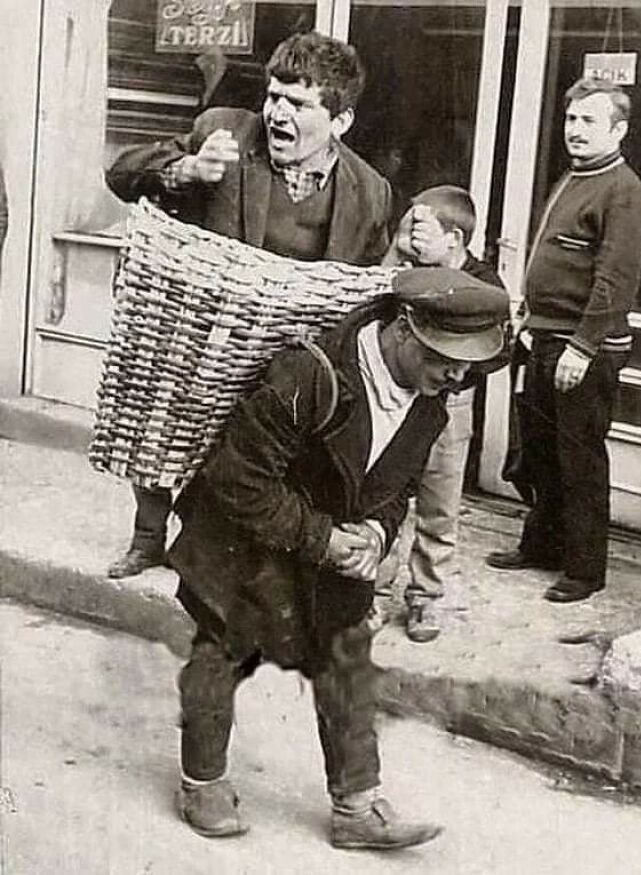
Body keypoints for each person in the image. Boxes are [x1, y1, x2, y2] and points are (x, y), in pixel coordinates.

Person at [168, 266, 509, 851]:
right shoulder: (311, 374)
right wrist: (323, 539)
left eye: (467, 363)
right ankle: (202, 780)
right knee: (221, 649)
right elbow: (238, 479)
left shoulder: (431, 402)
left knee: (347, 658)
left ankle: (356, 807)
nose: (456, 374)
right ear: (405, 328)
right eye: (443, 357)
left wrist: (377, 533)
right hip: (245, 536)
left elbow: (397, 488)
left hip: (335, 545)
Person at [104, 32, 393, 579]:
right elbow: (120, 173)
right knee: (165, 423)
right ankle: (148, 537)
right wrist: (183, 171)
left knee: (252, 455)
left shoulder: (371, 191)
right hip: (207, 332)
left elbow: (365, 287)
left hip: (291, 351)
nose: (277, 112)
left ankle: (220, 549)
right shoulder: (223, 130)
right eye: (274, 95)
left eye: (299, 104)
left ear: (341, 121)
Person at [486, 78, 641, 603]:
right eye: (572, 119)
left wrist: (582, 347)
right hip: (546, 338)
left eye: (589, 121)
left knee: (579, 459)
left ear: (619, 130)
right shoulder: (577, 176)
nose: (575, 130)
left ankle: (585, 571)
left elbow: (615, 282)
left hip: (584, 348)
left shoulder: (624, 191)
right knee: (541, 453)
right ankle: (541, 546)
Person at [377, 186, 506, 642]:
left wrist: (452, 375)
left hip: (449, 404)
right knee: (383, 492)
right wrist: (396, 252)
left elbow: (498, 349)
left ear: (454, 237)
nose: (411, 234)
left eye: (421, 227)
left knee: (439, 504)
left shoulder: (484, 285)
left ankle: (425, 599)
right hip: (400, 396)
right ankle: (372, 593)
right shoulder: (410, 272)